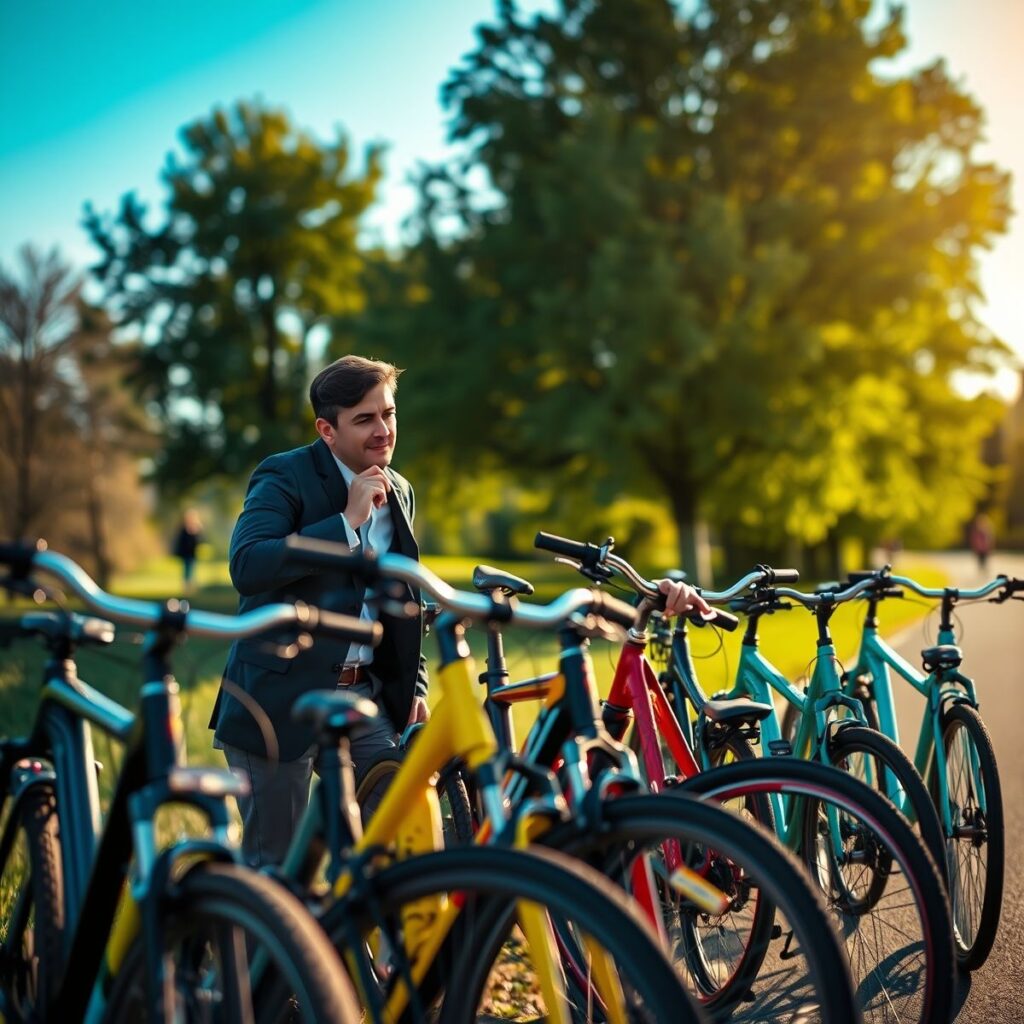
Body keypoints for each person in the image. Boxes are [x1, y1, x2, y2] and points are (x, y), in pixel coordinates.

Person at [209, 355, 429, 867]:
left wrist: (415, 685)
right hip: (277, 703)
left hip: (364, 702)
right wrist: (346, 523)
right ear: (327, 430)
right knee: (277, 869)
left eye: (389, 414)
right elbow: (248, 563)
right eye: (365, 419)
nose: (383, 431)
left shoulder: (401, 491)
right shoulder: (283, 474)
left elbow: (401, 602)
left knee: (396, 845)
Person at [172, 508, 203, 589]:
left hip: (192, 553)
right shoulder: (184, 529)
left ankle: (190, 585)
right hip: (186, 553)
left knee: (191, 569)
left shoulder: (196, 529)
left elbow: (199, 541)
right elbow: (181, 542)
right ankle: (186, 585)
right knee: (187, 569)